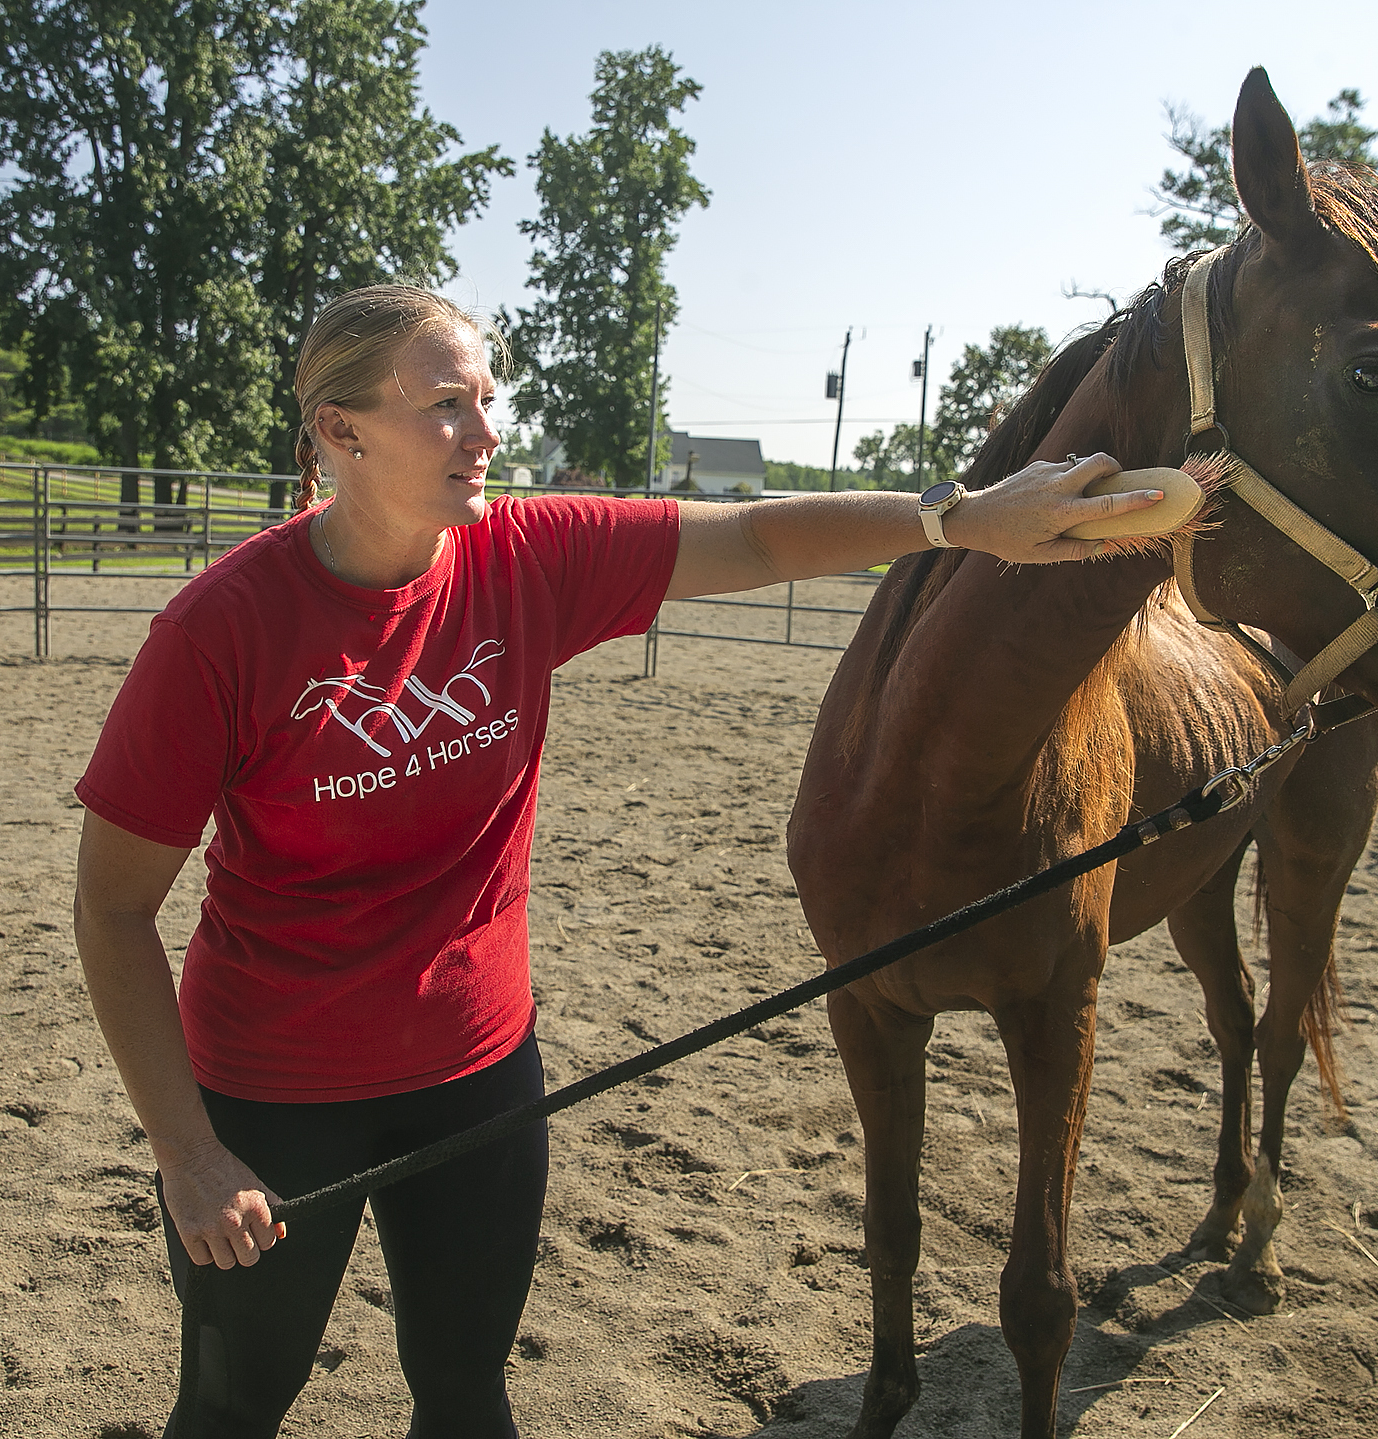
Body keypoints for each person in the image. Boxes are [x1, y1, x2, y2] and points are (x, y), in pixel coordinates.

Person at [70, 284, 1170, 1438]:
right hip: (269, 1096)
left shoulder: (524, 556)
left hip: (476, 1071)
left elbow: (754, 534)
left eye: (487, 398)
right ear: (340, 431)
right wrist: (186, 1153)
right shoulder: (219, 631)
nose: (486, 434)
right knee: (234, 1405)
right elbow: (111, 909)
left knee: (463, 1393)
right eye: (445, 405)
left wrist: (961, 519)